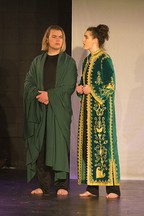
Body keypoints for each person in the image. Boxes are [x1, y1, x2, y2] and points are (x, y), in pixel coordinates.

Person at [23, 25, 77, 196]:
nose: (57, 40)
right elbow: (28, 83)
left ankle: (61, 185)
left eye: (60, 37)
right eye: (54, 36)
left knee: (60, 146)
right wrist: (40, 96)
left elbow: (68, 86)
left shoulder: (69, 62)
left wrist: (50, 96)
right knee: (42, 146)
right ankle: (43, 185)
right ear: (47, 39)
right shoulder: (38, 61)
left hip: (58, 111)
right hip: (40, 109)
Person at [76, 24, 121, 199]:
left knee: (105, 148)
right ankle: (92, 188)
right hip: (88, 112)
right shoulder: (87, 60)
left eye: (86, 37)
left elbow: (110, 86)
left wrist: (91, 90)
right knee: (89, 147)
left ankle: (113, 189)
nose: (83, 40)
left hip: (102, 113)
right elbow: (84, 81)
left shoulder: (104, 59)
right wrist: (81, 89)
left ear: (95, 39)